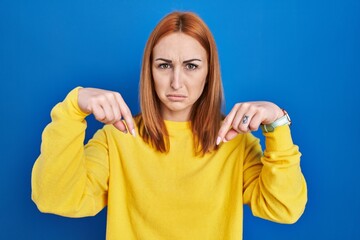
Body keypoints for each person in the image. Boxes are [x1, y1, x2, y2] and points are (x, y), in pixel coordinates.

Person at [32, 11, 307, 240]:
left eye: (191, 66)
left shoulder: (235, 142)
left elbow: (284, 208)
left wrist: (277, 124)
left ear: (209, 71)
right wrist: (73, 108)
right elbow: (54, 198)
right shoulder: (117, 138)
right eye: (164, 66)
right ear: (149, 70)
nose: (177, 82)